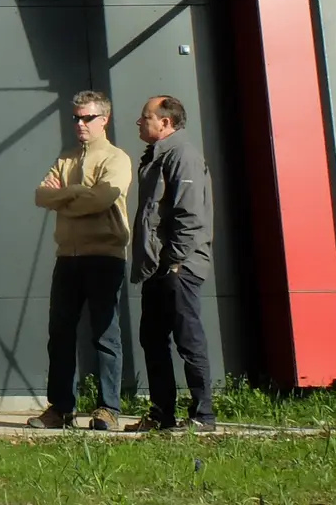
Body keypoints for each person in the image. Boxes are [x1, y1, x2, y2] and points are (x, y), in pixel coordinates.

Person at [30, 90, 134, 432]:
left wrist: (68, 196)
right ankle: (60, 408)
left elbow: (104, 196)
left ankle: (108, 409)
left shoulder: (116, 158)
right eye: (75, 117)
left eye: (86, 117)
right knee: (59, 333)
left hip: (104, 255)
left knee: (105, 333)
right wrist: (75, 194)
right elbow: (41, 195)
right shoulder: (67, 159)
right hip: (67, 257)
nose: (79, 124)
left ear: (104, 119)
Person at [129, 96, 216, 432]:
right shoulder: (157, 156)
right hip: (159, 267)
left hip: (179, 266)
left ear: (165, 123)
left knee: (187, 337)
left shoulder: (182, 155)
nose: (140, 122)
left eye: (145, 116)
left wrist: (175, 260)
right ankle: (162, 414)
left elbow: (191, 215)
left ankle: (202, 416)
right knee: (153, 339)